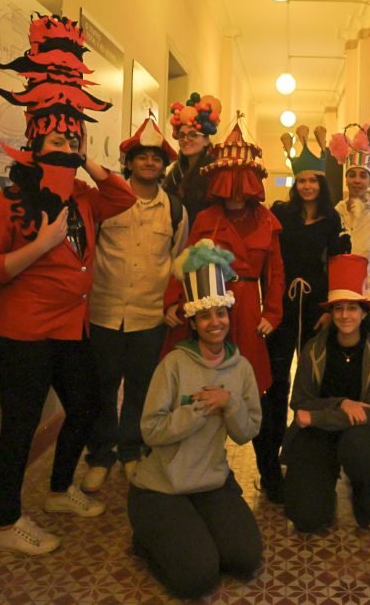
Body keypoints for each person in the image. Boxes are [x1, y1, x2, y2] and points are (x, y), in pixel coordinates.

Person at [0, 14, 137, 555]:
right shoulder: (2, 204)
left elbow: (124, 199)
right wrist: (38, 247)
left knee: (87, 408)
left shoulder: (85, 199)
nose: (64, 138)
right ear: (34, 140)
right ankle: (6, 523)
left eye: (73, 132)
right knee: (19, 427)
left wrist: (86, 156)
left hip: (69, 329)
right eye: (56, 132)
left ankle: (60, 489)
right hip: (19, 334)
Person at [129, 241, 263, 599]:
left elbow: (248, 431)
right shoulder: (172, 365)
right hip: (163, 486)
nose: (214, 322)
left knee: (245, 558)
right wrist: (198, 410)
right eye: (205, 316)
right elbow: (150, 430)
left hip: (211, 482)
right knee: (197, 578)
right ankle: (146, 533)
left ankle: (193, 529)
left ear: (228, 316)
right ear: (193, 321)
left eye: (220, 313)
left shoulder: (242, 368)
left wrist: (229, 403)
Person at [81, 117, 188, 492]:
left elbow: (177, 260)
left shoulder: (174, 210)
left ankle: (131, 451)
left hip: (149, 314)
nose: (149, 163)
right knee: (102, 387)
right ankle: (100, 455)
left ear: (164, 166)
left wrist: (171, 305)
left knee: (141, 389)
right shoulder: (107, 201)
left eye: (156, 158)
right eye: (142, 157)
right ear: (129, 162)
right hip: (105, 310)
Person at [260, 126, 350, 503]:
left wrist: (331, 310)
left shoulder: (333, 220)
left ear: (322, 182)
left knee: (316, 383)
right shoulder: (280, 214)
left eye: (314, 179)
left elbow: (340, 264)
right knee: (276, 384)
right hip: (282, 306)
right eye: (302, 180)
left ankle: (314, 456)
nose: (308, 185)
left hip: (316, 310)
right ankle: (269, 462)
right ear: (295, 183)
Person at [162, 121, 285, 397]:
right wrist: (172, 302)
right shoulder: (207, 218)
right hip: (212, 302)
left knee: (246, 379)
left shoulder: (266, 220)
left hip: (249, 305)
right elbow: (186, 262)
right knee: (205, 376)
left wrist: (272, 313)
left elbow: (275, 274)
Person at [282, 254, 370, 531]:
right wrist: (342, 403)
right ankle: (324, 483)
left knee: (361, 449)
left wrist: (319, 416)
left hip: (360, 435)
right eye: (339, 308)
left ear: (364, 312)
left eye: (352, 308)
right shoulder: (313, 349)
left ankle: (362, 486)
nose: (345, 315)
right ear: (331, 312)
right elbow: (300, 403)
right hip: (319, 436)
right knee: (307, 518)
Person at [329, 124, 370, 335]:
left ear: (369, 180)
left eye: (362, 176)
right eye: (352, 175)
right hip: (342, 298)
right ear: (346, 178)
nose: (357, 180)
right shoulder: (335, 213)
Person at [164, 92, 221, 224]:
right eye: (182, 135)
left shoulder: (213, 173)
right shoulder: (176, 171)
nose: (186, 140)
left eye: (193, 135)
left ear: (206, 140)